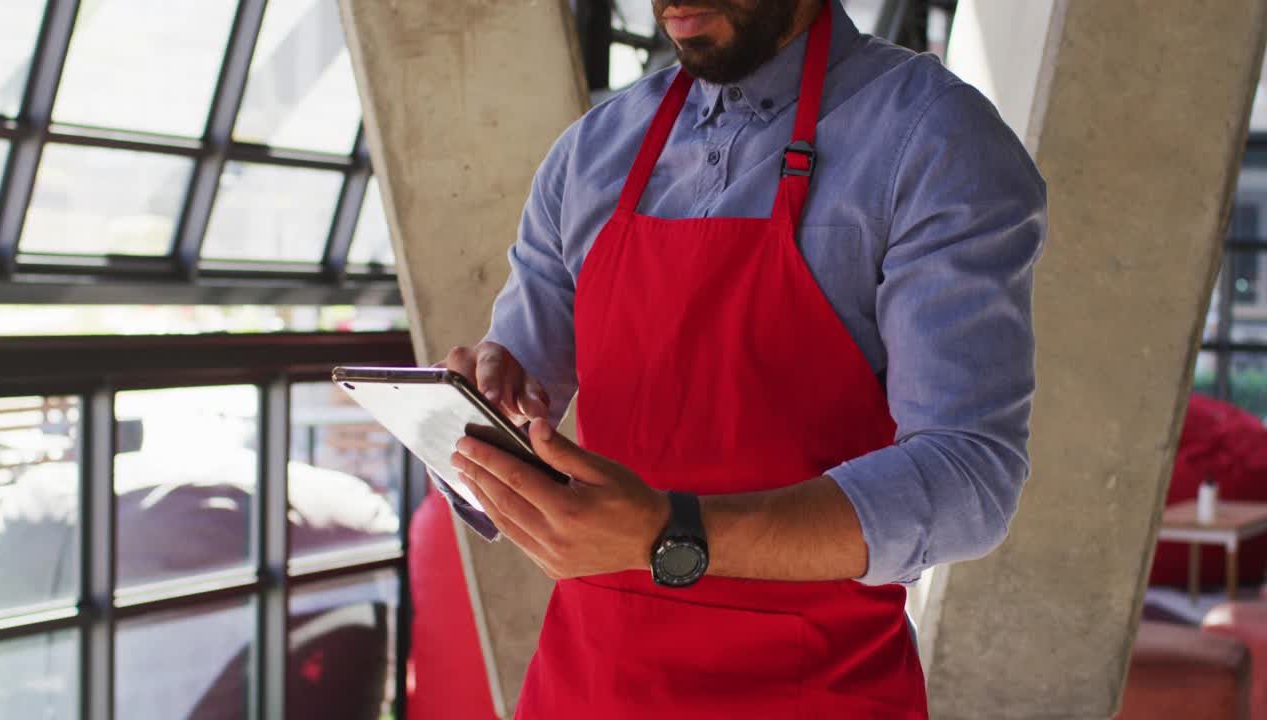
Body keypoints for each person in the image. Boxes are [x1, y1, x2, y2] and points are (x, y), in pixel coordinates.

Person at [437, 0, 1046, 716]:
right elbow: (518, 387)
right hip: (587, 687)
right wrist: (485, 418)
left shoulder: (933, 138)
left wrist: (673, 534)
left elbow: (970, 478)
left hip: (813, 692)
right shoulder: (589, 153)